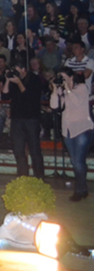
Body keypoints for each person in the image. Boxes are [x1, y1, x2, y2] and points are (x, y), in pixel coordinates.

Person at [50, 71, 93, 201]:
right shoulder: (62, 90)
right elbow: (54, 106)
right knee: (75, 161)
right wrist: (55, 89)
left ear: (71, 77)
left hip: (82, 129)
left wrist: (68, 88)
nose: (62, 79)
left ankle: (79, 190)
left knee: (78, 161)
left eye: (64, 77)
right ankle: (83, 188)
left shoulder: (81, 88)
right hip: (67, 130)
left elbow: (77, 102)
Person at [1, 64, 44, 179]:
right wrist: (7, 80)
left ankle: (39, 178)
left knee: (35, 150)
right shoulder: (13, 81)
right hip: (17, 119)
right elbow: (4, 96)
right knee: (18, 150)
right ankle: (23, 177)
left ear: (24, 69)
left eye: (17, 69)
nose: (15, 72)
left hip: (31, 118)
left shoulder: (34, 79)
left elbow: (29, 97)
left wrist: (19, 82)